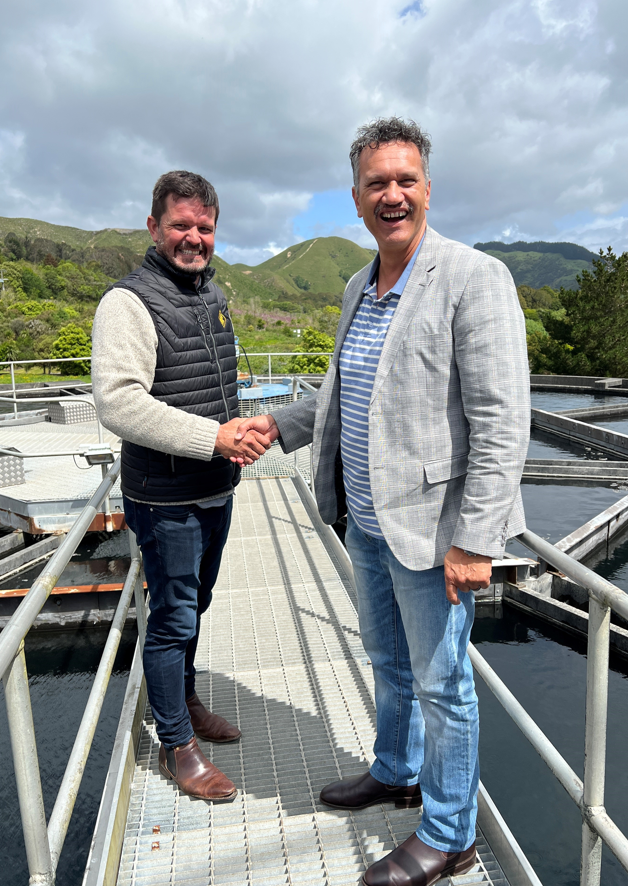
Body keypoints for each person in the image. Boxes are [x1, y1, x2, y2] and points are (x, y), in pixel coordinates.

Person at [235, 118, 530, 885]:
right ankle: (397, 771)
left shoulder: (473, 277)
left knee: (443, 684)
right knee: (387, 662)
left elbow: (502, 420)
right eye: (377, 183)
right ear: (358, 198)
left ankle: (449, 832)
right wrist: (277, 424)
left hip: (436, 535)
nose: (392, 194)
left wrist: (478, 539)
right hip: (365, 519)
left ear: (427, 189)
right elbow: (342, 391)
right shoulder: (356, 286)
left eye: (406, 180)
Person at [92, 171, 272, 802]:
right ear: (153, 227)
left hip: (215, 487)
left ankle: (186, 702)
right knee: (170, 620)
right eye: (181, 226)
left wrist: (238, 432)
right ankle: (177, 745)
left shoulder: (209, 295)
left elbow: (209, 388)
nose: (194, 238)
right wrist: (214, 438)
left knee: (194, 608)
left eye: (204, 227)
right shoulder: (128, 303)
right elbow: (118, 404)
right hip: (166, 498)